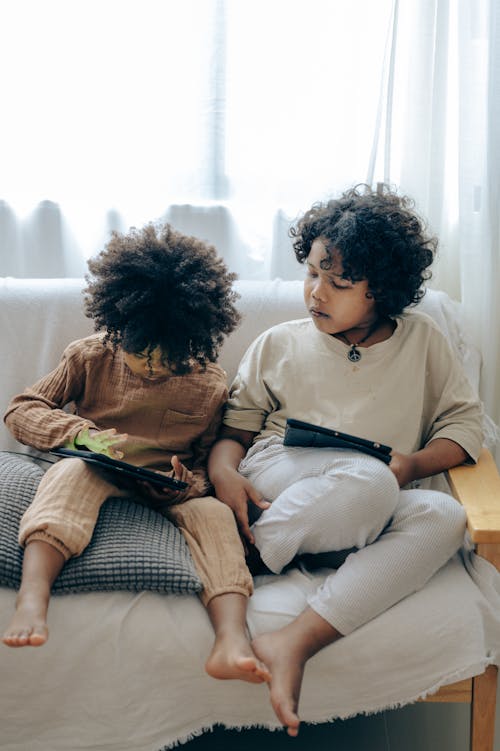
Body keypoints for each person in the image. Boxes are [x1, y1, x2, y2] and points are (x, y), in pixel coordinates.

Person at [208, 184, 483, 735]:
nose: (317, 293)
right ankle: (248, 554)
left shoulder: (423, 342)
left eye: (339, 282)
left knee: (445, 517)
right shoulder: (279, 343)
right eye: (312, 273)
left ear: (381, 290)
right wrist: (223, 475)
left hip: (372, 495)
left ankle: (296, 639)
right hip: (279, 476)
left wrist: (412, 467)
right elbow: (233, 433)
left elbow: (464, 427)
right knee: (371, 482)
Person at [2, 222, 270, 684]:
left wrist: (184, 482)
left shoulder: (209, 385)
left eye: (168, 358)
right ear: (118, 326)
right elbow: (23, 409)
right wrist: (79, 435)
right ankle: (33, 596)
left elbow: (209, 461)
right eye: (140, 352)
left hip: (168, 490)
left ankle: (231, 638)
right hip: (94, 467)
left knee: (214, 517)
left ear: (193, 342)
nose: (152, 367)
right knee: (68, 478)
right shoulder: (88, 357)